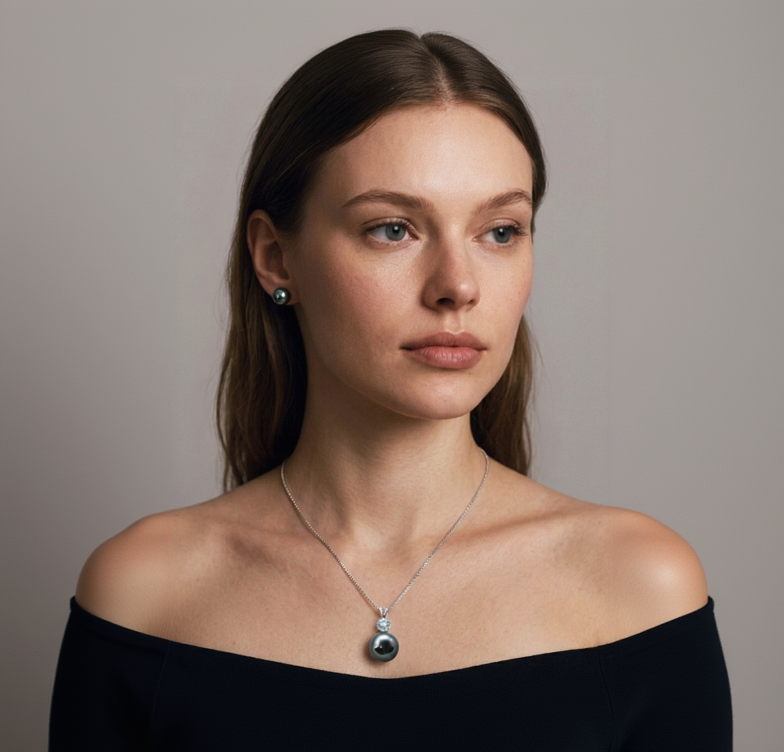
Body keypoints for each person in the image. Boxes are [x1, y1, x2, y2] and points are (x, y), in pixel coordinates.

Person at [49, 29, 732, 749]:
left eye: (500, 231)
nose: (458, 286)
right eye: (394, 229)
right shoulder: (145, 595)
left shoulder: (638, 586)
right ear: (275, 257)